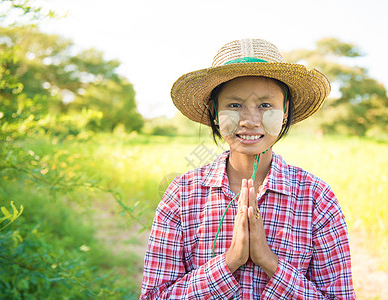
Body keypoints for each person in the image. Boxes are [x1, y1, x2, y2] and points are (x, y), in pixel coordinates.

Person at [140, 38, 356, 299]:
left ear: (285, 110)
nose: (250, 121)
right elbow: (154, 295)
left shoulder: (316, 198)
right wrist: (229, 262)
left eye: (265, 105)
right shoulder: (183, 194)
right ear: (215, 113)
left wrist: (269, 262)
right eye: (234, 105)